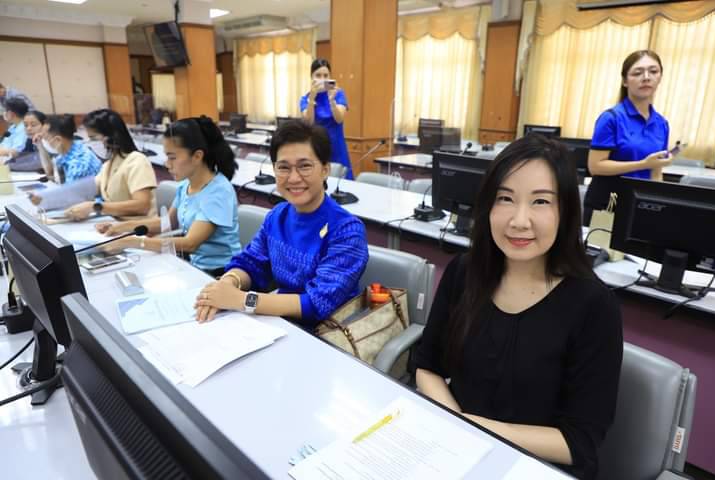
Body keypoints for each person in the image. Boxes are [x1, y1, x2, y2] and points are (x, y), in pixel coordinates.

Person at [415, 134, 623, 479]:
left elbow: (579, 442)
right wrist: (457, 429)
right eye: (505, 199)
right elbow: (427, 367)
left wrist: (473, 431)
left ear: (566, 212)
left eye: (540, 202)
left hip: (538, 466)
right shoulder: (464, 272)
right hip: (459, 452)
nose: (519, 220)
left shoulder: (594, 306)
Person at [194, 119, 369, 327]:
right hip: (279, 322)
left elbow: (316, 303)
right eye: (283, 167)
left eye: (305, 166)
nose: (293, 178)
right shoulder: (277, 216)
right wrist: (227, 284)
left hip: (326, 333)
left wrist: (242, 300)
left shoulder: (347, 231)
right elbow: (251, 263)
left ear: (325, 169)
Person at [97, 116, 241, 276]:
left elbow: (190, 243)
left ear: (197, 156)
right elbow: (167, 223)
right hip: (194, 266)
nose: (167, 164)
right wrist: (120, 227)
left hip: (221, 274)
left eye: (172, 157)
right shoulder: (186, 185)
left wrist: (134, 242)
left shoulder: (218, 191)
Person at [583, 49, 672, 225]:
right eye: (637, 73)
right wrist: (642, 164)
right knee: (601, 244)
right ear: (625, 81)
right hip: (607, 204)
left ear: (660, 77)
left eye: (653, 71)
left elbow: (656, 172)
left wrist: (658, 204)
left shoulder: (662, 123)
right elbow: (595, 166)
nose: (646, 77)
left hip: (640, 206)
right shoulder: (611, 118)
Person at [63, 109, 157, 220]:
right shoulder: (109, 164)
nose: (89, 143)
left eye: (93, 138)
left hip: (138, 227)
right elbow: (90, 188)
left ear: (111, 137)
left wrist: (95, 207)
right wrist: (53, 197)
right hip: (116, 224)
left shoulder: (137, 161)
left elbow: (142, 206)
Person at [300, 59, 353, 179]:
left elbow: (339, 119)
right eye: (318, 75)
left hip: (337, 147)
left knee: (340, 183)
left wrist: (332, 100)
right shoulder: (305, 98)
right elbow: (308, 122)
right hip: (316, 149)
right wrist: (312, 99)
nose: (322, 79)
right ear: (311, 77)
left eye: (326, 75)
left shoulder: (338, 93)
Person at [36, 114, 101, 184]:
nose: (43, 141)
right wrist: (40, 145)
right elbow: (50, 174)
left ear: (58, 140)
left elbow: (70, 191)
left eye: (45, 138)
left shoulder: (77, 164)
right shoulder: (72, 149)